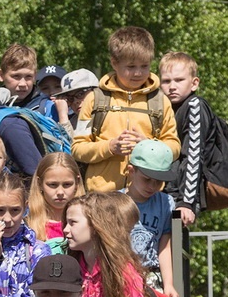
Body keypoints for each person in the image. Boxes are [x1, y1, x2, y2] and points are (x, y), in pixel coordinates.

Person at [72, 26, 181, 192]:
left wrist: (148, 145)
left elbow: (174, 147)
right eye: (131, 67)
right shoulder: (94, 100)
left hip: (148, 195)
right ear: (114, 63)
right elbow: (78, 149)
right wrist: (110, 147)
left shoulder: (160, 102)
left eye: (144, 66)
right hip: (102, 196)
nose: (138, 73)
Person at [159, 51, 228, 221]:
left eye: (179, 80)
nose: (172, 86)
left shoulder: (194, 106)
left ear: (194, 83)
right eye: (166, 81)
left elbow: (193, 154)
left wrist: (187, 202)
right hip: (172, 192)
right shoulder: (166, 110)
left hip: (185, 195)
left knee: (174, 244)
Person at [121, 139, 179, 297]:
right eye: (147, 179)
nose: (153, 186)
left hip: (152, 275)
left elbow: (164, 246)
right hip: (123, 275)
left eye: (159, 181)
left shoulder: (165, 203)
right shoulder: (115, 201)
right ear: (131, 171)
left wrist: (168, 284)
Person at [0, 43, 48, 122]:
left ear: (35, 76)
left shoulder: (47, 107)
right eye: (16, 76)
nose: (22, 84)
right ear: (1, 75)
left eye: (28, 76)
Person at [27, 153, 85, 244]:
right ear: (39, 184)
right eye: (53, 185)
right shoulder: (27, 224)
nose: (60, 192)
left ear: (77, 183)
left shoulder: (90, 221)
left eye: (67, 184)